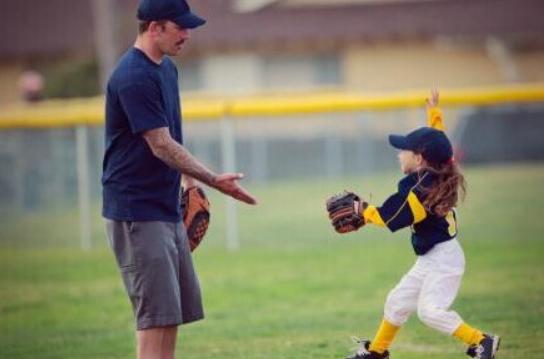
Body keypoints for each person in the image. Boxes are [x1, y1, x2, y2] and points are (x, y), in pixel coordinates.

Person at [101, 1, 257, 358]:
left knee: (169, 315)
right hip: (136, 211)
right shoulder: (132, 76)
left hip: (164, 205)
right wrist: (215, 180)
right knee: (154, 318)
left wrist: (190, 183)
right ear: (154, 27)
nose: (187, 34)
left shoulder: (165, 70)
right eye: (180, 27)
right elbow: (160, 144)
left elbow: (172, 139)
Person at [326, 90, 500, 359]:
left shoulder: (421, 189)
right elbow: (441, 142)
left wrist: (363, 210)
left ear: (419, 159)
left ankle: (481, 341)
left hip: (444, 260)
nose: (399, 155)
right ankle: (377, 352)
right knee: (396, 302)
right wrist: (435, 114)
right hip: (432, 257)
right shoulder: (440, 167)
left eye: (403, 151)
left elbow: (391, 217)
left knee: (430, 312)